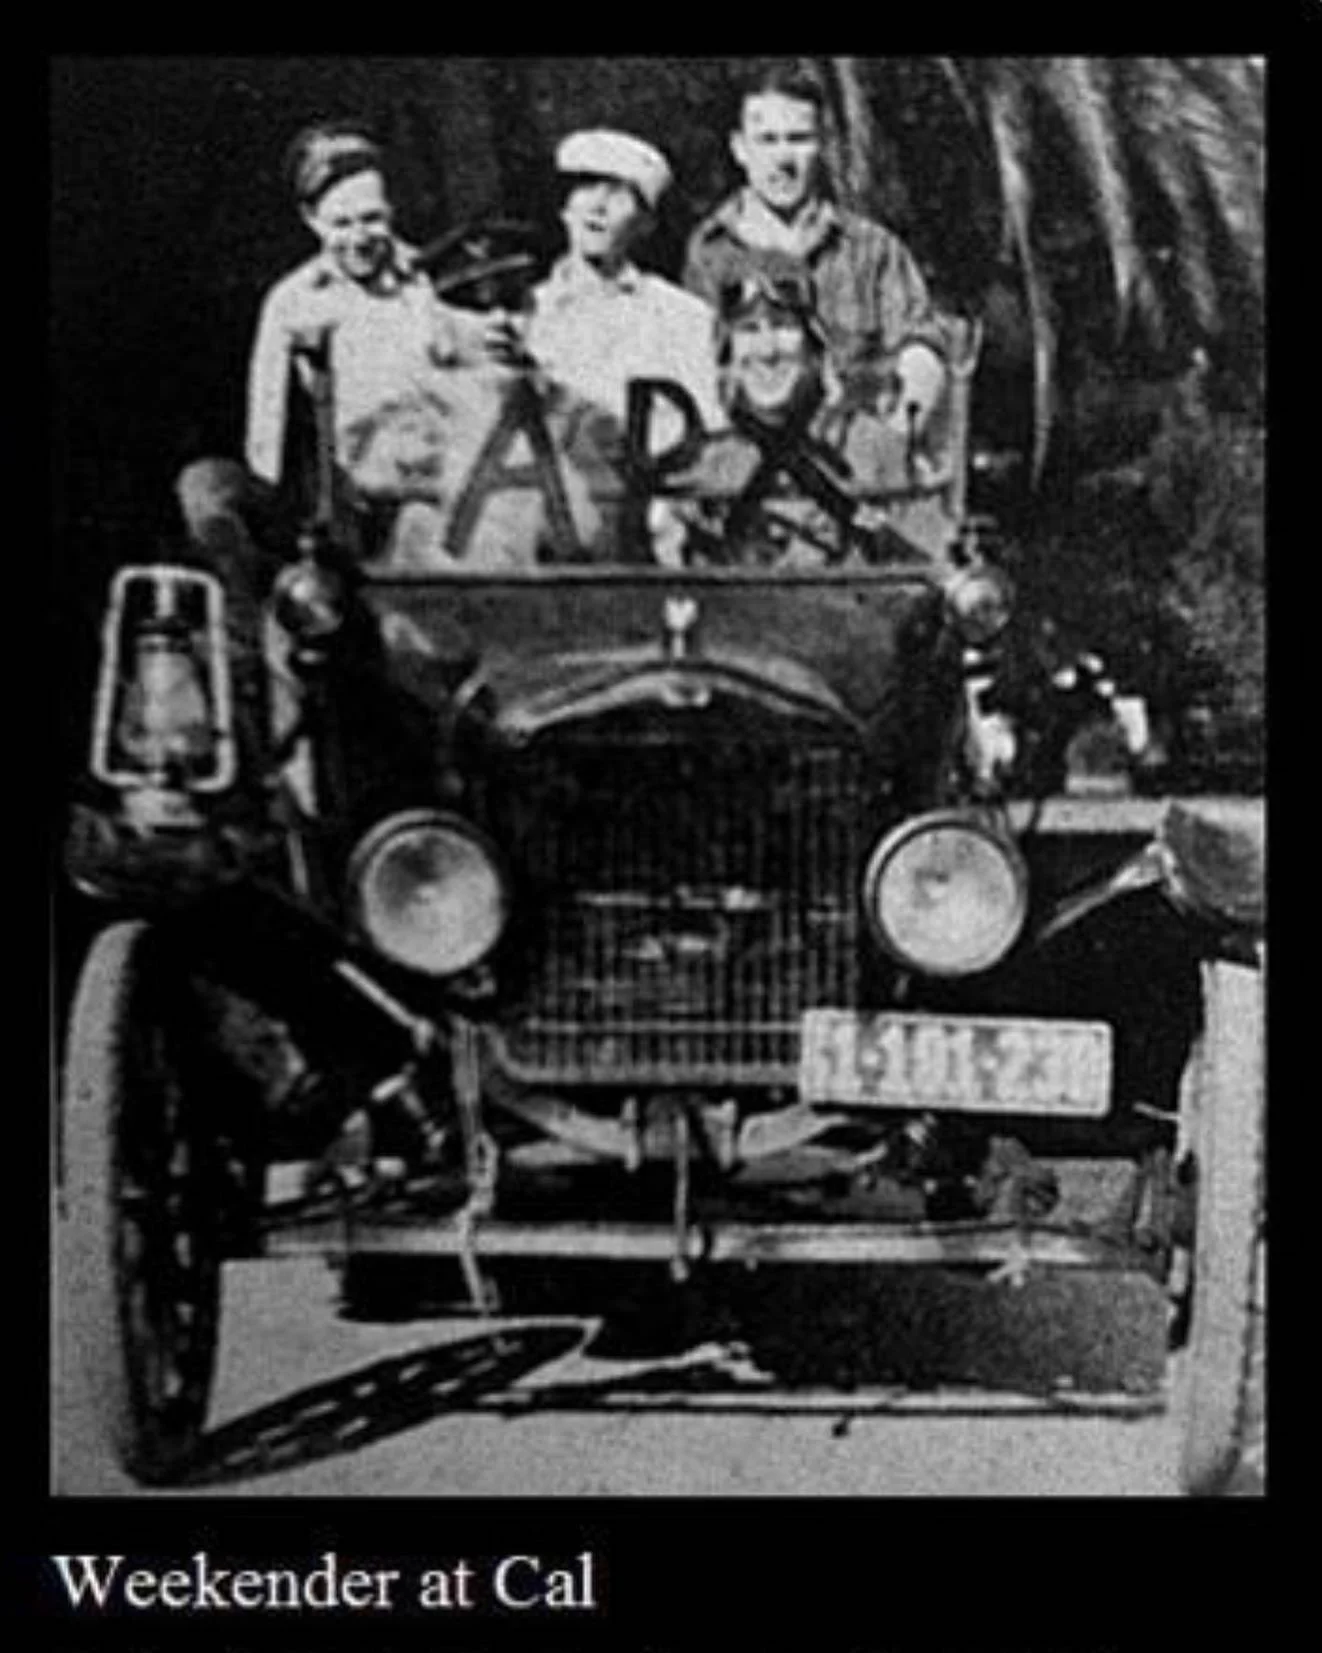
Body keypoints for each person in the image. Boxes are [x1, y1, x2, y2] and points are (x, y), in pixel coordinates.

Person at [177, 122, 481, 575]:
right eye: (341, 223)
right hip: (344, 502)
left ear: (391, 210)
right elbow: (266, 432)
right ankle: (257, 626)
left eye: (372, 219)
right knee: (204, 486)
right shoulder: (294, 300)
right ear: (311, 219)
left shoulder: (435, 281)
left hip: (432, 494)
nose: (359, 237)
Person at [683, 61, 948, 442]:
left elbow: (923, 349)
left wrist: (891, 442)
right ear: (739, 148)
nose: (783, 159)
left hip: (857, 471)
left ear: (823, 144)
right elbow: (697, 372)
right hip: (746, 471)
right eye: (767, 140)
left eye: (798, 138)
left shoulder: (872, 251)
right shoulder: (710, 252)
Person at [672, 269, 954, 565]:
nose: (767, 350)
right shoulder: (713, 461)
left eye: (783, 326)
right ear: (728, 352)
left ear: (816, 348)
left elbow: (931, 573)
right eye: (749, 329)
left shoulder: (875, 451)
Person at [525, 128, 724, 453]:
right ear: (565, 208)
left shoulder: (681, 316)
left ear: (645, 223)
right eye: (587, 187)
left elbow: (704, 432)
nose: (598, 206)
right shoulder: (527, 313)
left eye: (619, 194)